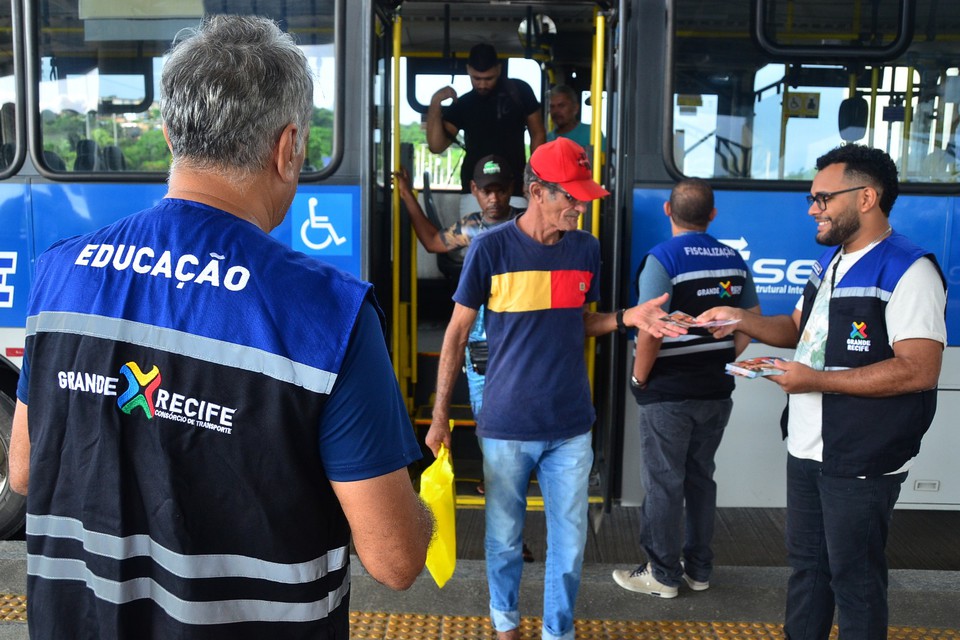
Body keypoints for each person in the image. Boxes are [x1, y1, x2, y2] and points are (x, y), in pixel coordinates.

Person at [9, 15, 433, 639]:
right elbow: (396, 560)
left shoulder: (58, 276)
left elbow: (22, 471)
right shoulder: (329, 315)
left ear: (169, 134)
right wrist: (421, 514)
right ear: (288, 148)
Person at [425, 137, 687, 640]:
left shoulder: (587, 250)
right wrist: (440, 418)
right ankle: (504, 623)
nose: (580, 205)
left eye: (583, 196)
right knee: (503, 542)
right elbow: (456, 334)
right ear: (537, 191)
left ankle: (557, 632)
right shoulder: (490, 249)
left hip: (570, 426)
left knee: (569, 550)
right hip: (504, 424)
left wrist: (625, 318)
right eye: (570, 196)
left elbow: (575, 321)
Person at [698, 144, 947, 639]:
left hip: (863, 455)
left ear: (866, 198)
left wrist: (814, 381)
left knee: (855, 581)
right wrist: (739, 318)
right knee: (808, 572)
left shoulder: (909, 270)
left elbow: (919, 370)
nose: (813, 208)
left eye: (822, 197)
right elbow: (797, 329)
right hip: (809, 449)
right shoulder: (828, 265)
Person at [611, 179, 760, 599]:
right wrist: (723, 358)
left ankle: (662, 574)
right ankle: (698, 570)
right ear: (712, 214)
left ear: (666, 211)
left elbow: (650, 330)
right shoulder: (733, 259)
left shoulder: (662, 258)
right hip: (716, 389)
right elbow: (750, 319)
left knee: (664, 482)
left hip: (669, 392)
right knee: (700, 479)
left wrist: (640, 379)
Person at [397, 155, 535, 560]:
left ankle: (506, 521)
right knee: (495, 438)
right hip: (482, 345)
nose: (493, 197)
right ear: (474, 191)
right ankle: (508, 535)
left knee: (517, 442)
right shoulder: (472, 227)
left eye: (501, 189)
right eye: (485, 190)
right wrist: (407, 196)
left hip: (522, 345)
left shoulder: (528, 225)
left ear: (514, 190)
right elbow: (433, 242)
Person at [426, 43, 546, 195]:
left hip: (513, 188)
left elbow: (538, 134)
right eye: (476, 78)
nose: (482, 84)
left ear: (499, 69)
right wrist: (435, 102)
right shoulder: (464, 104)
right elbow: (437, 146)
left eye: (489, 78)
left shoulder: (520, 91)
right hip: (474, 190)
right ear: (468, 70)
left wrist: (533, 176)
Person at [546, 84, 606, 155]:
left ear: (575, 108)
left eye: (561, 106)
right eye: (552, 107)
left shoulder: (592, 134)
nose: (556, 111)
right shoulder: (548, 139)